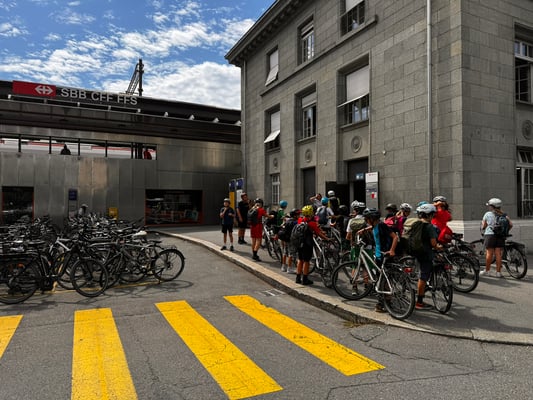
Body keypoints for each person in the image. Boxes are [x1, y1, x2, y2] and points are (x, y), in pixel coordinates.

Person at [357, 207, 398, 313]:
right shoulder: (376, 225)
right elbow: (372, 227)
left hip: (385, 256)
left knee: (382, 281)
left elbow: (395, 237)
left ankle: (384, 303)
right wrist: (364, 230)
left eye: (367, 219)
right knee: (380, 279)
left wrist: (392, 250)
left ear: (372, 219)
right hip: (379, 256)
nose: (365, 220)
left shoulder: (382, 225)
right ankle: (383, 302)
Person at [410, 203, 443, 310]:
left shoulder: (416, 224)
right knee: (423, 277)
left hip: (416, 251)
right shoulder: (429, 227)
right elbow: (433, 244)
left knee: (422, 273)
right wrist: (438, 247)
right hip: (425, 254)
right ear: (430, 215)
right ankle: (419, 302)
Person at [295, 205, 331, 285]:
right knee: (306, 261)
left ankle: (298, 278)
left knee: (300, 260)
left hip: (299, 243)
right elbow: (318, 233)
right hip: (307, 244)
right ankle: (305, 279)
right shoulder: (312, 223)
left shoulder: (300, 220)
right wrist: (327, 239)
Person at [481, 198, 512, 277]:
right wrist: (505, 231)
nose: (488, 207)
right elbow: (511, 224)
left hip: (490, 235)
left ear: (492, 206)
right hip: (500, 236)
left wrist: (483, 227)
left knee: (489, 253)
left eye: (489, 206)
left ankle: (487, 271)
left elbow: (484, 226)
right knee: (498, 254)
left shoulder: (487, 214)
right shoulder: (504, 214)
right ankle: (498, 273)